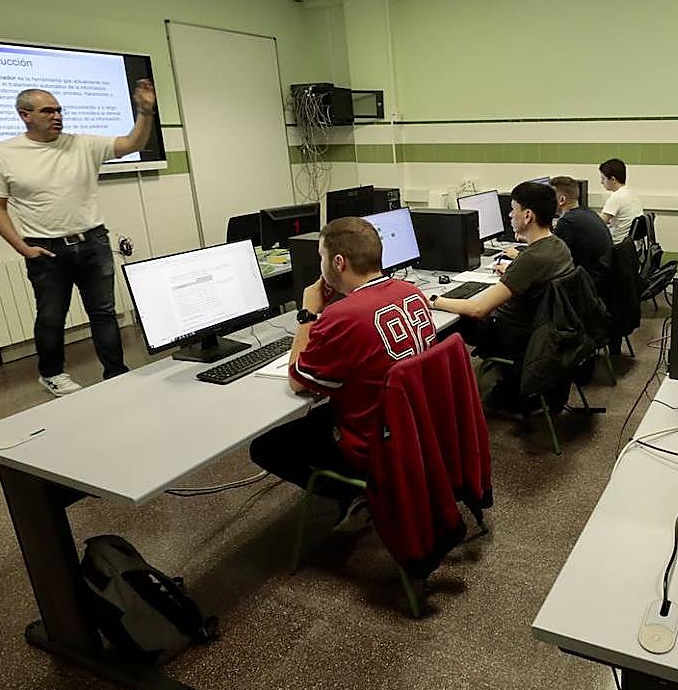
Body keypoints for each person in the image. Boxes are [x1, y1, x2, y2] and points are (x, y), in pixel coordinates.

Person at [0, 82, 157, 396]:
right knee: (51, 316)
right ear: (25, 115)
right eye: (47, 110)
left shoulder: (82, 144)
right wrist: (22, 247)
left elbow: (132, 143)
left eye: (59, 109)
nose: (56, 115)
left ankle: (116, 372)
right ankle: (51, 373)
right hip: (46, 249)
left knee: (103, 313)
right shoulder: (1, 154)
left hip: (94, 243)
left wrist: (145, 112)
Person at [249, 217, 436, 505]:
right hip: (415, 425)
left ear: (338, 262)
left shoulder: (343, 316)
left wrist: (309, 313)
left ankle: (356, 494)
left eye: (321, 257)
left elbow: (298, 381)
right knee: (317, 417)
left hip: (372, 443)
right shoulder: (412, 292)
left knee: (264, 447)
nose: (320, 265)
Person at [432, 181, 572, 403]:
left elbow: (478, 309)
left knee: (445, 324)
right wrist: (514, 269)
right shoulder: (558, 246)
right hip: (541, 331)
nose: (509, 215)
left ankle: (449, 401)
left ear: (527, 216)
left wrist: (434, 300)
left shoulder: (531, 258)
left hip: (511, 335)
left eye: (512, 209)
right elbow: (532, 273)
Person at [599, 158, 643, 243]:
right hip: (632, 246)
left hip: (618, 246)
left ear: (613, 179)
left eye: (603, 179)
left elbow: (599, 223)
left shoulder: (616, 197)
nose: (601, 182)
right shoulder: (629, 193)